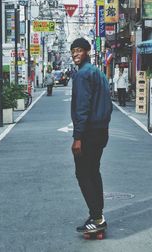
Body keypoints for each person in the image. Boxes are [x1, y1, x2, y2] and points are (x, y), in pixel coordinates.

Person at [70, 37, 112, 234]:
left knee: (83, 173)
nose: (75, 54)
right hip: (101, 131)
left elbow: (82, 107)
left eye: (79, 50)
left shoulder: (83, 75)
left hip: (88, 133)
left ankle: (97, 217)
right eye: (73, 51)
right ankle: (97, 213)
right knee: (93, 171)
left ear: (87, 51)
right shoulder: (99, 74)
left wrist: (77, 137)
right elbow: (108, 105)